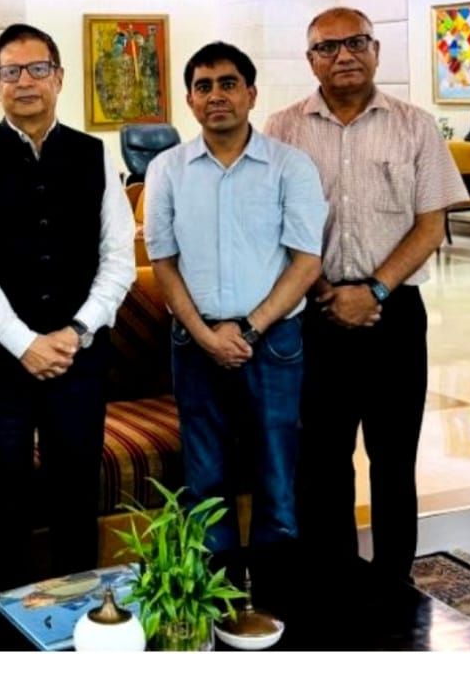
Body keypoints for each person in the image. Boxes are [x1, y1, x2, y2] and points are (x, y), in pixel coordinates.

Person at [264, 7, 468, 584]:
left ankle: (393, 583)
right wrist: (327, 292)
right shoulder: (283, 129)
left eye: (356, 42)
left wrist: (374, 289)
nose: (344, 56)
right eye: (327, 47)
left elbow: (430, 225)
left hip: (394, 315)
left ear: (376, 50)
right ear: (310, 61)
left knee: (394, 456)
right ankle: (333, 578)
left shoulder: (415, 125)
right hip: (314, 313)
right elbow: (272, 223)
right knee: (321, 458)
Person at [0, 23, 135, 593]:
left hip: (79, 357)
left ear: (59, 77)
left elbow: (119, 259)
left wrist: (77, 330)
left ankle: (79, 618)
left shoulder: (93, 154)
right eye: (11, 72)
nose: (24, 82)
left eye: (37, 69)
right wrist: (23, 342)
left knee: (76, 495)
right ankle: (0, 627)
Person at [143, 42, 327, 614]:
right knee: (204, 480)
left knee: (277, 474)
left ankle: (276, 602)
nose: (216, 95)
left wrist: (248, 329)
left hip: (274, 344)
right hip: (193, 343)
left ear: (251, 93)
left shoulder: (290, 166)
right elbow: (163, 262)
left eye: (228, 83)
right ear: (190, 100)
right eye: (203, 86)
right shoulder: (167, 169)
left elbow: (307, 261)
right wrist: (205, 334)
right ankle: (215, 605)